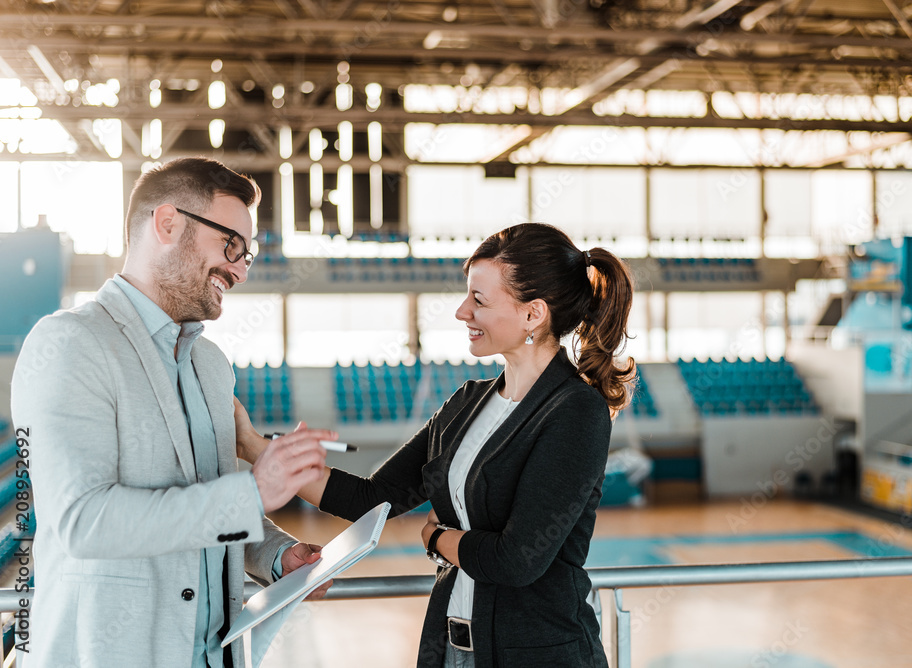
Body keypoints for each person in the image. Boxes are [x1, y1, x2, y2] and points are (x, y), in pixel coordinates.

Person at [236, 222, 635, 667]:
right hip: (452, 647)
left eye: (479, 300)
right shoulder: (466, 403)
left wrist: (438, 538)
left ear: (533, 314)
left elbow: (517, 561)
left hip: (538, 653)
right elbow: (371, 498)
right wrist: (252, 446)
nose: (462, 312)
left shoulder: (575, 411)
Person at [11, 157, 337, 668]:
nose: (239, 269)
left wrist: (274, 554)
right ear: (168, 224)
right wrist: (253, 491)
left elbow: (205, 507)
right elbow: (84, 522)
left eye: (246, 254)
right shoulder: (71, 343)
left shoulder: (210, 365)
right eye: (231, 245)